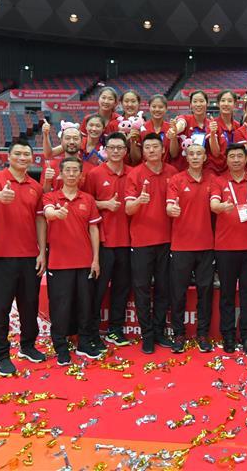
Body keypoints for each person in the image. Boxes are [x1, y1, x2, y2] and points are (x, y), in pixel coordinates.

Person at [0, 138, 46, 377]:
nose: (22, 157)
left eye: (26, 154)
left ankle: (28, 346)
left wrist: (42, 251)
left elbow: (40, 219)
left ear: (32, 158)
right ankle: (1, 356)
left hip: (29, 256)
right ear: (9, 156)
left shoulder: (35, 186)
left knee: (29, 305)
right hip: (1, 256)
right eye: (17, 153)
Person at [42, 157, 102, 365]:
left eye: (75, 170)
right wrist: (56, 214)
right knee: (60, 307)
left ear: (81, 175)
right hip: (59, 263)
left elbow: (93, 229)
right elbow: (48, 213)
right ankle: (60, 347)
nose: (71, 174)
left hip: (85, 262)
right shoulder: (51, 197)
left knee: (85, 306)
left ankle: (84, 343)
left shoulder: (88, 199)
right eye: (67, 170)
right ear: (60, 174)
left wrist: (96, 259)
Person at [125, 133, 177, 354]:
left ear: (163, 149)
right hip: (142, 241)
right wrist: (139, 201)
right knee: (142, 289)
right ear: (143, 151)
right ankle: (146, 335)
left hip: (167, 240)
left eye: (156, 146)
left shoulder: (172, 173)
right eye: (148, 147)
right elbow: (128, 209)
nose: (152, 150)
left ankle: (158, 332)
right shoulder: (135, 174)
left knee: (164, 288)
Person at [211, 143, 247, 354]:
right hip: (225, 247)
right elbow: (214, 204)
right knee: (227, 293)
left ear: (245, 159)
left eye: (239, 156)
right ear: (227, 159)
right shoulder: (219, 181)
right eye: (231, 156)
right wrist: (220, 207)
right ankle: (228, 335)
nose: (235, 160)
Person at [83, 131, 132, 349]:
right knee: (97, 290)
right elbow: (85, 202)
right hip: (103, 242)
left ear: (125, 151)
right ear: (105, 150)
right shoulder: (95, 174)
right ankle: (92, 332)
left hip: (128, 242)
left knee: (122, 289)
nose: (115, 151)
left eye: (120, 148)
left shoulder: (133, 174)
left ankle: (115, 329)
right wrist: (105, 204)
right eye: (111, 147)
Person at [166, 143, 216, 353]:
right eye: (191, 154)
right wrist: (171, 209)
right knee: (178, 293)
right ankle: (178, 334)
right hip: (181, 246)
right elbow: (169, 205)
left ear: (204, 158)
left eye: (199, 154)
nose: (195, 157)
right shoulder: (176, 180)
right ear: (186, 157)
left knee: (205, 292)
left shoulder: (212, 179)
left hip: (206, 246)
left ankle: (203, 334)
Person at [172, 90, 221, 172]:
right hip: (183, 170)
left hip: (204, 171)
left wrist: (212, 134)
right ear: (190, 105)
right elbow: (181, 123)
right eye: (195, 101)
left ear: (207, 103)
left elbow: (216, 153)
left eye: (201, 101)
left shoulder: (211, 125)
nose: (198, 104)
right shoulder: (185, 118)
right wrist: (175, 130)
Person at [41, 123, 84, 192]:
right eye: (67, 138)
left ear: (82, 141)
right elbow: (44, 193)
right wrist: (47, 181)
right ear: (61, 141)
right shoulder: (50, 167)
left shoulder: (90, 168)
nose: (72, 142)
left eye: (75, 138)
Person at [210, 90, 242, 174]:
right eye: (223, 100)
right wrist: (212, 134)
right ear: (218, 104)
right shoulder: (212, 125)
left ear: (235, 104)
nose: (226, 104)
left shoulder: (239, 126)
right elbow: (215, 153)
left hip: (235, 171)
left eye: (230, 101)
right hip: (217, 172)